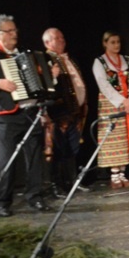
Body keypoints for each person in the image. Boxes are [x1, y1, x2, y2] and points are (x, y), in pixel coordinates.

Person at [0, 15, 48, 215]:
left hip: (30, 111)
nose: (14, 34)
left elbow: (36, 83)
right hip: (7, 114)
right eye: (9, 31)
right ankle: (2, 203)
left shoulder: (24, 54)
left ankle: (35, 197)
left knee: (34, 158)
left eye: (15, 30)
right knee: (7, 159)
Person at [92, 30, 129, 189]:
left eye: (118, 42)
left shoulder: (127, 61)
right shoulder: (100, 62)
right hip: (112, 104)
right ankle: (114, 175)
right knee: (115, 137)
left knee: (127, 137)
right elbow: (104, 85)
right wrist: (122, 101)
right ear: (105, 43)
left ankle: (123, 173)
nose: (116, 45)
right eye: (112, 42)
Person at [42, 27, 88, 197]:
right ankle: (56, 184)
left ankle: (71, 182)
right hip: (58, 112)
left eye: (62, 37)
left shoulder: (69, 59)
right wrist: (51, 76)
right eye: (57, 38)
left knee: (72, 148)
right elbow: (42, 85)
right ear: (48, 42)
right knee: (57, 149)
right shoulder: (45, 59)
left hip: (74, 110)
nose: (62, 40)